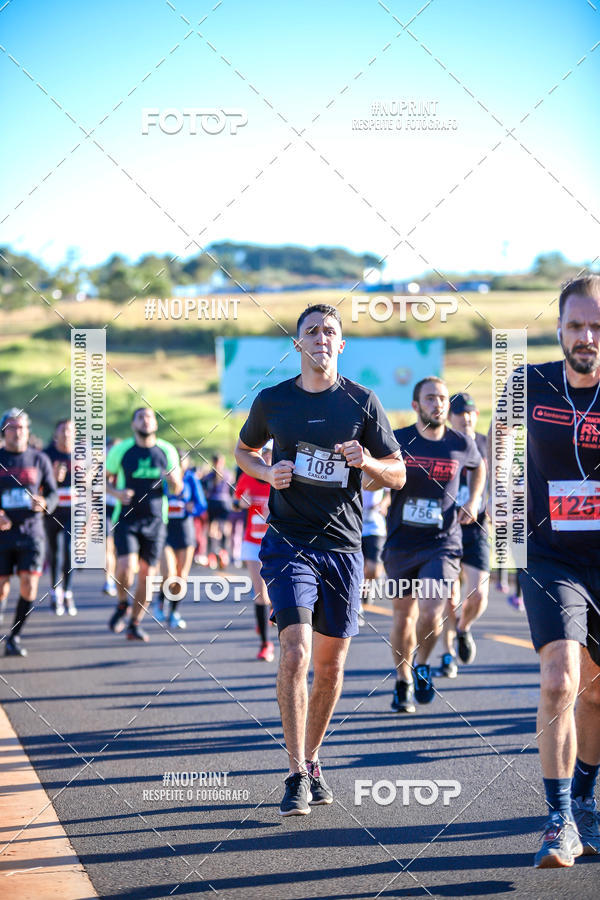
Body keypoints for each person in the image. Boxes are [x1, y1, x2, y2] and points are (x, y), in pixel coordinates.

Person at [235, 303, 405, 816]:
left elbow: (397, 475)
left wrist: (368, 461)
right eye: (311, 331)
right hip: (289, 541)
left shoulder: (362, 401)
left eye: (330, 331)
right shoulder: (273, 401)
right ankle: (293, 773)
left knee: (330, 669)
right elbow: (242, 451)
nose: (321, 338)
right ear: (298, 344)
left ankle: (312, 760)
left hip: (344, 547)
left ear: (341, 344)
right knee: (296, 651)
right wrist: (267, 474)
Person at [490, 276, 600, 868]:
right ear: (558, 328)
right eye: (578, 325)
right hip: (551, 555)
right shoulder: (525, 381)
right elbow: (500, 440)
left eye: (598, 326)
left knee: (598, 692)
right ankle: (558, 822)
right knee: (559, 677)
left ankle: (585, 801)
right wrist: (502, 522)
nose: (588, 337)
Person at [385, 377, 485, 713]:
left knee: (431, 610)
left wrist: (473, 499)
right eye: (430, 398)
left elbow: (479, 466)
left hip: (442, 542)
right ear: (416, 405)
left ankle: (422, 664)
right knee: (404, 618)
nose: (438, 404)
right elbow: (374, 473)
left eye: (442, 398)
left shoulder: (460, 443)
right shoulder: (398, 441)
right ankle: (402, 681)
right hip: (401, 543)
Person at [106, 408, 182, 642]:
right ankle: (122, 604)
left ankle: (135, 623)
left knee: (149, 577)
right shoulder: (122, 450)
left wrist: (172, 480)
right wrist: (116, 492)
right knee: (125, 568)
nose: (145, 421)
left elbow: (178, 488)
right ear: (133, 424)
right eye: (140, 417)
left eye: (149, 417)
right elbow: (101, 479)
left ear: (155, 425)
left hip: (156, 520)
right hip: (127, 518)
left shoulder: (167, 450)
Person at [436, 393, 490, 677]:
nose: (466, 418)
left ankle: (463, 628)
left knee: (479, 595)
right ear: (450, 417)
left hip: (477, 527)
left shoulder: (485, 444)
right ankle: (446, 654)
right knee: (448, 595)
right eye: (460, 414)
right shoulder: (442, 444)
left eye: (470, 413)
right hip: (445, 529)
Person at [0, 409, 57, 656]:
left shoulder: (39, 459)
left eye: (22, 427)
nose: (18, 431)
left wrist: (45, 503)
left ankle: (14, 636)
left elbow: (53, 493)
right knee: (1, 588)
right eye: (12, 427)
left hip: (32, 533)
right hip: (2, 535)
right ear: (4, 431)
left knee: (29, 586)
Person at [155, 450, 206, 629]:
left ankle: (174, 612)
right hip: (166, 531)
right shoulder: (162, 479)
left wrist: (192, 508)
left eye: (182, 460)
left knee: (181, 577)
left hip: (185, 531)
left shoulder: (191, 479)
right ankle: (160, 601)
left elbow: (202, 504)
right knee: (168, 573)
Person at [233, 441, 274, 661]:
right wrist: (242, 504)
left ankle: (267, 616)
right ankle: (266, 644)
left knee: (274, 594)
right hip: (252, 542)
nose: (267, 457)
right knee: (262, 593)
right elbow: (235, 503)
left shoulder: (281, 478)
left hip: (277, 543)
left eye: (271, 454)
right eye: (264, 453)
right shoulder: (247, 477)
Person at [44, 419, 76, 616]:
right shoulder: (47, 455)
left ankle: (68, 591)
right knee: (55, 551)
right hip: (52, 510)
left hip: (74, 511)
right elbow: (37, 484)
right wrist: (54, 478)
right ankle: (56, 590)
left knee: (69, 548)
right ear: (56, 434)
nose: (66, 434)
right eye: (62, 430)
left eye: (70, 431)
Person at [202, 454, 233, 569]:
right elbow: (231, 491)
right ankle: (223, 553)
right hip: (225, 502)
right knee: (224, 528)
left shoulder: (209, 476)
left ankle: (211, 555)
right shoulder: (228, 475)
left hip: (212, 502)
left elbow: (204, 490)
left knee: (211, 530)